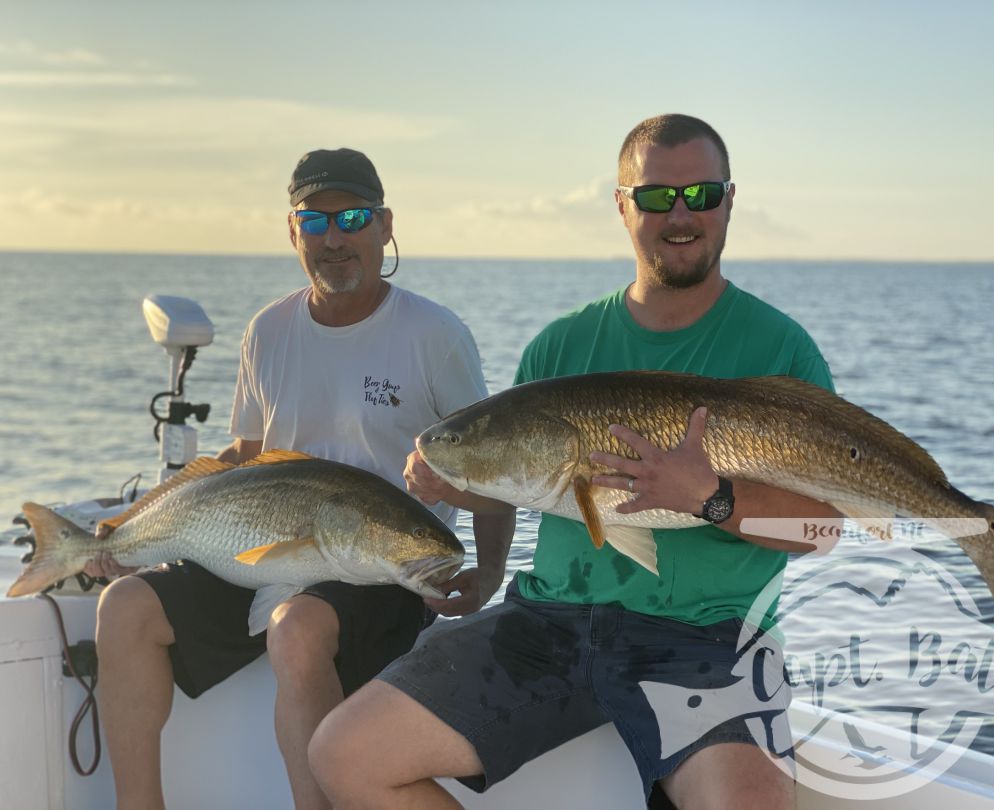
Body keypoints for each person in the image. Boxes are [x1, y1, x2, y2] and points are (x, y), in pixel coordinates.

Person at [308, 115, 842, 810]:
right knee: (343, 755)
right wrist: (456, 485)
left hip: (708, 641)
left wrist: (711, 497)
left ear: (730, 201)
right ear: (621, 206)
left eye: (701, 195)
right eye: (655, 198)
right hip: (547, 626)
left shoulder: (782, 353)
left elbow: (822, 532)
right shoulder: (560, 347)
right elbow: (531, 489)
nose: (680, 215)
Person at [86, 148, 516, 810]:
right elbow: (244, 459)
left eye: (352, 218)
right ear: (293, 233)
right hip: (263, 549)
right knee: (125, 608)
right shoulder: (268, 330)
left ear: (385, 225)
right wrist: (130, 526)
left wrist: (486, 576)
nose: (335, 238)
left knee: (297, 628)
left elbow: (492, 471)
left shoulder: (433, 334)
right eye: (314, 223)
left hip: (375, 568)